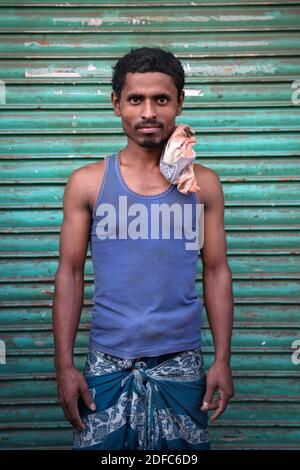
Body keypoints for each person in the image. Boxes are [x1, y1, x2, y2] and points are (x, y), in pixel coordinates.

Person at [52, 47, 234, 450]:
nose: (148, 111)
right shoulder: (88, 183)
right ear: (116, 103)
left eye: (161, 99)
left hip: (182, 365)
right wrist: (64, 366)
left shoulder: (203, 185)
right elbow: (70, 273)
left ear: (179, 102)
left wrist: (222, 358)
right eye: (136, 99)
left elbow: (217, 271)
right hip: (107, 364)